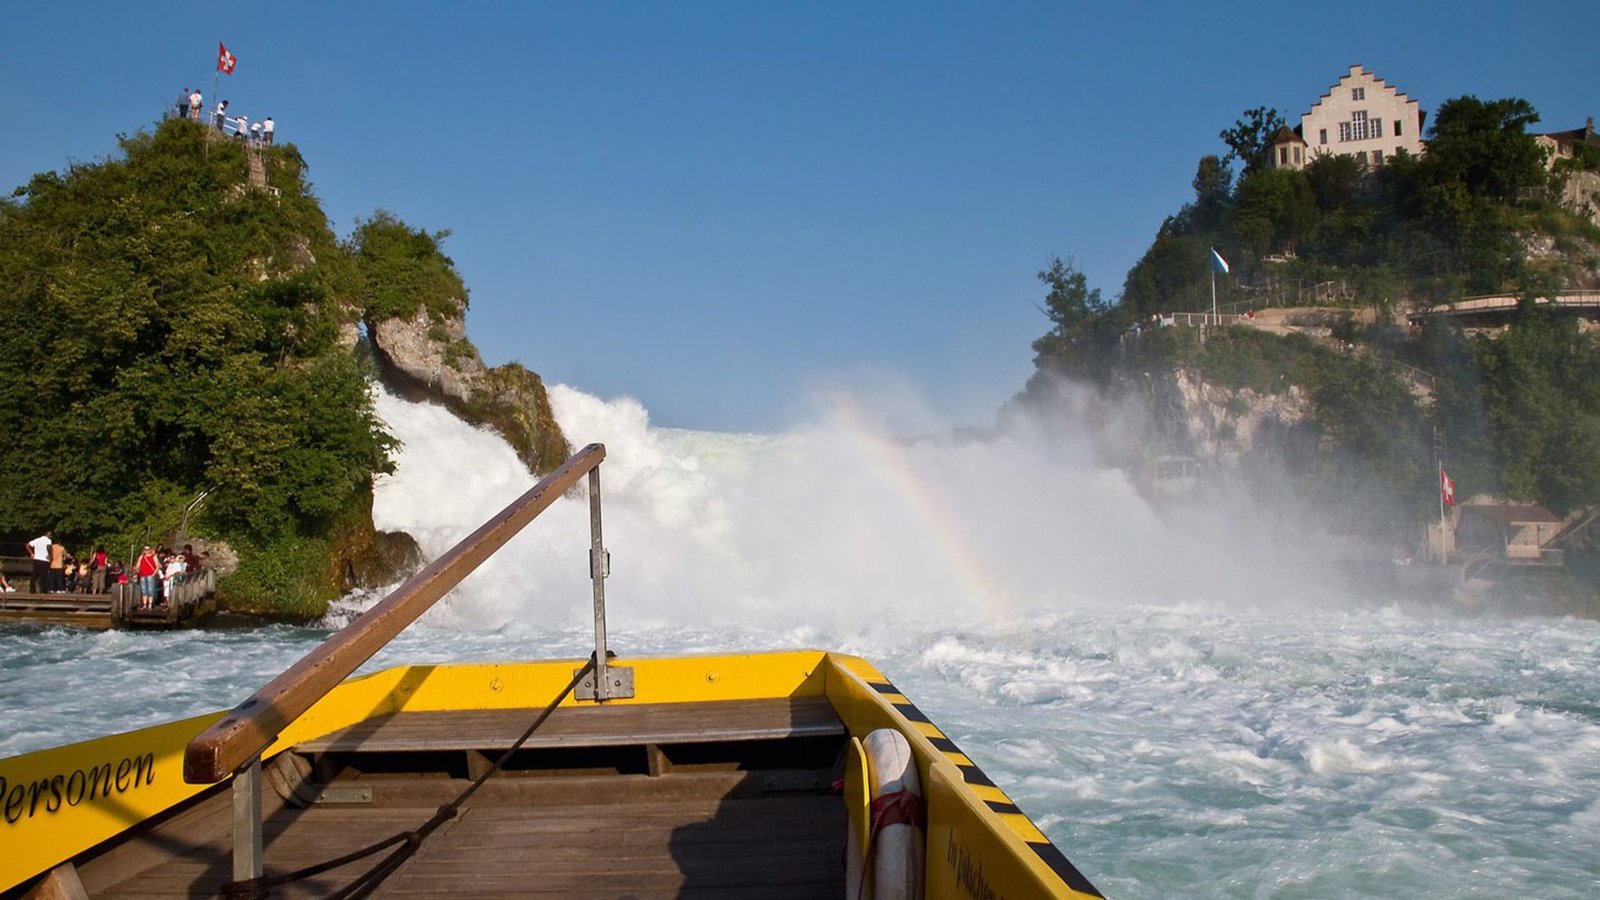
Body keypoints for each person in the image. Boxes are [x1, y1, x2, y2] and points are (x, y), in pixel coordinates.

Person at [135, 545, 159, 610]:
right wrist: (137, 569)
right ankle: (145, 604)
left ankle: (150, 604)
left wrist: (153, 574)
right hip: (142, 575)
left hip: (150, 575)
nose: (146, 551)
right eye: (145, 549)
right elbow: (138, 565)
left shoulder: (154, 557)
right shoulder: (141, 557)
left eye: (148, 549)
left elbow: (157, 566)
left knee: (150, 590)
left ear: (150, 549)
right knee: (144, 590)